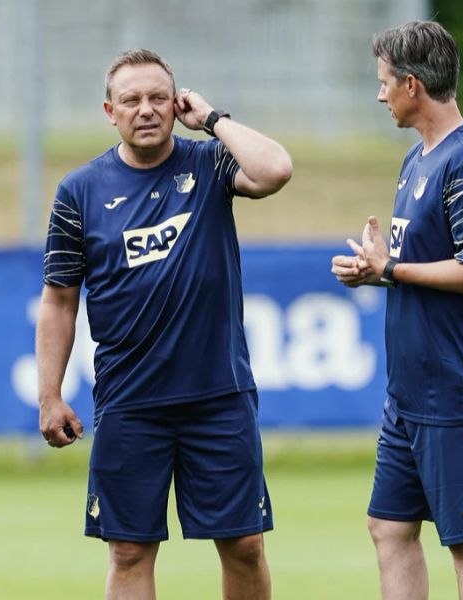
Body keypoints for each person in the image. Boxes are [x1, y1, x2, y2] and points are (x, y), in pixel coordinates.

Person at [36, 49, 292, 599]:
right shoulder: (79, 192)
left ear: (177, 105)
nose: (146, 110)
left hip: (219, 395)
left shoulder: (210, 164)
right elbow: (59, 300)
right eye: (131, 100)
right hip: (131, 401)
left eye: (158, 98)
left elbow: (275, 170)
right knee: (128, 550)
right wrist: (49, 395)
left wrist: (215, 120)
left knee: (244, 543)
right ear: (111, 110)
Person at [331, 21, 463, 600]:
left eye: (385, 82)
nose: (380, 94)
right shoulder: (417, 159)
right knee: (389, 527)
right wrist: (378, 268)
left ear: (413, 85)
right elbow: (422, 269)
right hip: (411, 391)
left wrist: (390, 270)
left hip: (459, 390)